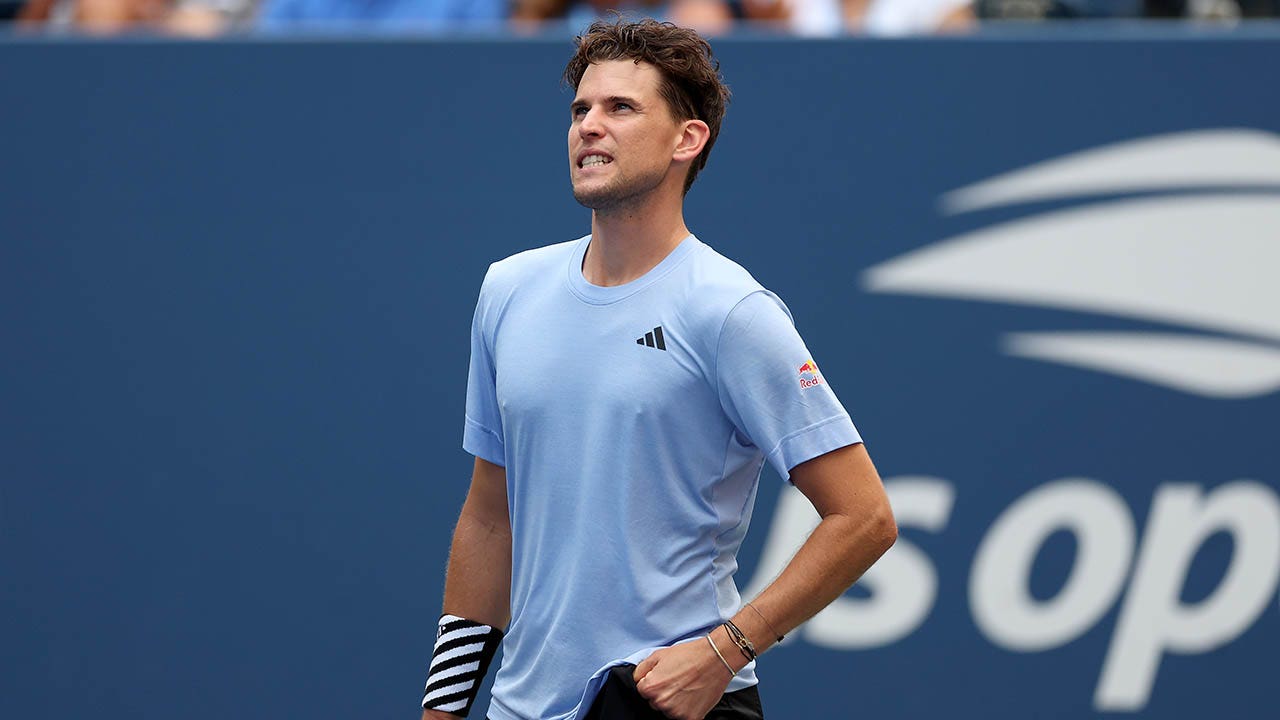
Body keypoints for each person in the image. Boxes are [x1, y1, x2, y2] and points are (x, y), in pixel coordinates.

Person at [420, 17, 898, 720]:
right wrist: (443, 710)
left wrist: (726, 650)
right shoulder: (508, 290)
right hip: (521, 707)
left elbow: (864, 517)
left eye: (621, 108)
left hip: (670, 705)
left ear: (687, 139)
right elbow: (491, 521)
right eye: (581, 109)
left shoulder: (731, 310)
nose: (590, 126)